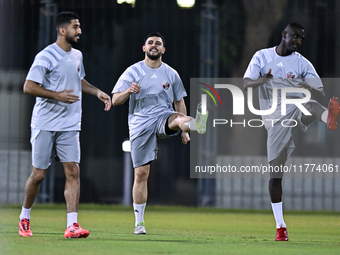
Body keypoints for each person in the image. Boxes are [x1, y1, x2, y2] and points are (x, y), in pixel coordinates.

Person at [243, 22, 340, 241]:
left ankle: (329, 118)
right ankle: (280, 226)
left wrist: (309, 88)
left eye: (301, 39)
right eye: (295, 37)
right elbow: (246, 84)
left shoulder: (302, 63)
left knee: (312, 103)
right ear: (284, 35)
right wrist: (262, 80)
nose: (298, 41)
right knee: (276, 176)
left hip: (295, 105)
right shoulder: (262, 56)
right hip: (274, 119)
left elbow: (321, 92)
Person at [18, 11, 112, 238]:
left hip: (70, 124)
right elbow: (28, 86)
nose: (79, 31)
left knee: (73, 171)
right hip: (45, 123)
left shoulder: (77, 56)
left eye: (79, 27)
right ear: (62, 30)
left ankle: (72, 225)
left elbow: (78, 80)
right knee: (38, 175)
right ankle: (25, 217)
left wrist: (97, 91)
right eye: (75, 27)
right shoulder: (46, 56)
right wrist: (56, 95)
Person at [111, 32, 208, 234]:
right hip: (140, 123)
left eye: (158, 43)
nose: (154, 46)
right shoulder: (133, 71)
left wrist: (184, 132)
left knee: (179, 118)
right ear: (144, 48)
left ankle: (196, 124)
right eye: (150, 43)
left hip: (164, 116)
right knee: (141, 174)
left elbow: (179, 101)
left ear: (163, 49)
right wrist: (129, 91)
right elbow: (115, 100)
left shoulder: (171, 74)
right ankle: (139, 222)